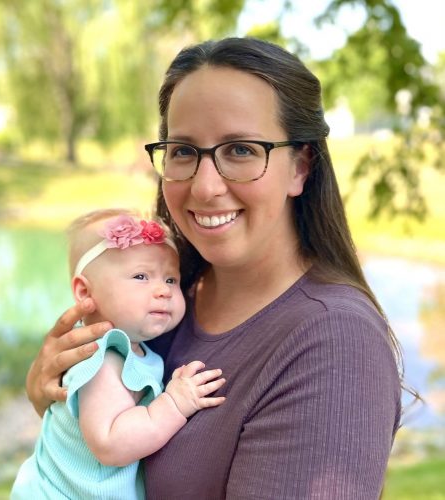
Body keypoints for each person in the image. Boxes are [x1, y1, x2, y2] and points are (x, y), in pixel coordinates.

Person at [25, 38, 403, 499]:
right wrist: (49, 392)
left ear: (300, 167)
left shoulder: (335, 343)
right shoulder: (160, 298)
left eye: (241, 150)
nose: (204, 188)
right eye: (183, 151)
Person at [11, 209, 226, 499]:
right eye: (141, 276)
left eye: (170, 280)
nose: (162, 290)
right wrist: (175, 403)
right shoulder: (102, 357)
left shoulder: (130, 351)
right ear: (86, 293)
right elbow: (110, 443)